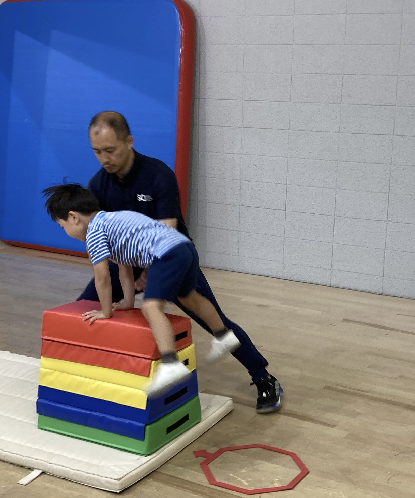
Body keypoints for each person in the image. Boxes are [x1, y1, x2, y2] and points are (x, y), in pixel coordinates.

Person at [80, 111, 282, 413]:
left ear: (129, 141)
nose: (104, 158)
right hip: (128, 259)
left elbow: (168, 229)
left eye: (110, 150)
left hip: (170, 256)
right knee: (84, 307)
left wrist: (149, 273)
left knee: (214, 321)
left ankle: (263, 377)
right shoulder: (98, 184)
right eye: (97, 152)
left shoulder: (157, 174)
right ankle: (87, 378)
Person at [43, 183, 241, 397]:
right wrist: (128, 302)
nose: (65, 232)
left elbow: (102, 277)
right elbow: (124, 269)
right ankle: (223, 335)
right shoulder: (113, 222)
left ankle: (170, 363)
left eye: (62, 226)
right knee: (188, 296)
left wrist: (105, 311)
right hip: (184, 247)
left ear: (73, 217)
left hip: (166, 253)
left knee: (150, 307)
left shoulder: (94, 233)